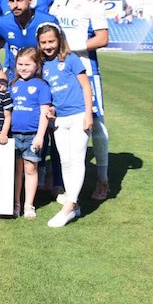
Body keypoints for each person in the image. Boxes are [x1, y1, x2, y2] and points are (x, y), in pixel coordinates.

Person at [49, 0, 110, 200]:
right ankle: (62, 181)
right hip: (60, 72)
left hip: (86, 69)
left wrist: (72, 47)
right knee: (61, 124)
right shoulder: (57, 2)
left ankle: (103, 181)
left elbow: (103, 38)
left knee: (96, 125)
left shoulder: (92, 1)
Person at [37, 23, 94, 228]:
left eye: (51, 41)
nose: (48, 46)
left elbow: (86, 86)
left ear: (59, 40)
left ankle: (69, 206)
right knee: (66, 161)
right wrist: (51, 110)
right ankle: (75, 203)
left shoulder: (71, 59)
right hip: (59, 120)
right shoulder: (43, 65)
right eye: (43, 43)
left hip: (79, 115)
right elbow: (49, 94)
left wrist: (89, 114)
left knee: (77, 160)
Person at [9, 47, 52, 219]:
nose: (23, 68)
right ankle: (16, 203)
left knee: (30, 169)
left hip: (32, 136)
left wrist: (40, 136)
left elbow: (44, 113)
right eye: (20, 64)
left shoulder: (42, 86)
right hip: (14, 135)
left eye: (28, 64)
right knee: (16, 170)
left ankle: (29, 204)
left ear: (37, 66)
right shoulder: (13, 85)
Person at [0, 0, 57, 80]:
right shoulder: (3, 22)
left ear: (30, 0)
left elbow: (61, 50)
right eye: (11, 1)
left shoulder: (48, 21)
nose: (15, 5)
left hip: (45, 78)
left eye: (20, 0)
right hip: (15, 80)